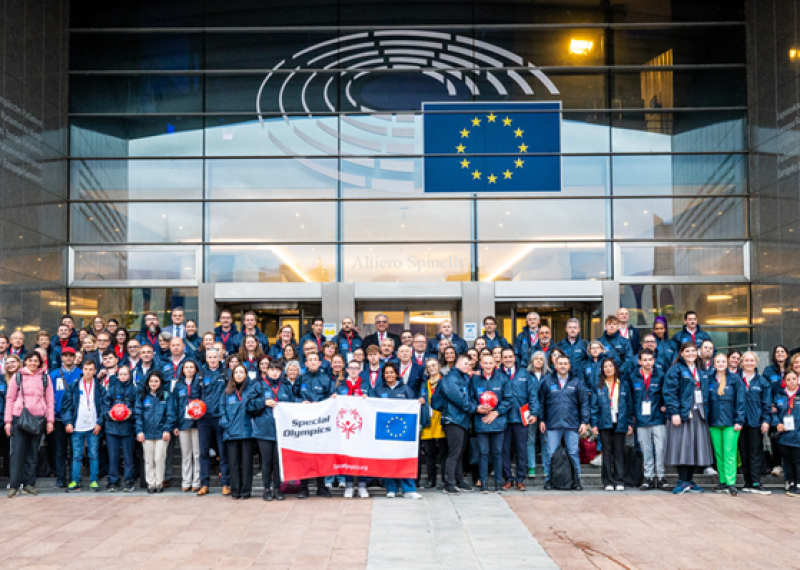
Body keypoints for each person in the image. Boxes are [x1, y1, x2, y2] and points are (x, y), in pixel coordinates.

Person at [663, 342, 714, 494]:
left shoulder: (701, 368)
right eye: (687, 351)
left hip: (699, 412)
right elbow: (670, 392)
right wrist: (674, 412)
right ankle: (682, 480)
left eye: (693, 351)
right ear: (682, 353)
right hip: (683, 412)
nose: (691, 353)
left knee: (695, 447)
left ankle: (690, 481)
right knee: (683, 447)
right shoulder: (676, 369)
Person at [369, 362, 423, 499]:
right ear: (383, 375)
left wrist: (419, 402)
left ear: (396, 374)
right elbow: (370, 405)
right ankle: (391, 488)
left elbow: (413, 404)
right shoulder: (378, 390)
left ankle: (409, 489)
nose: (389, 375)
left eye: (392, 372)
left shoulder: (405, 389)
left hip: (403, 431)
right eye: (386, 373)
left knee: (404, 458)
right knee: (388, 458)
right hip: (384, 431)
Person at [4, 352, 54, 497]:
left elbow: (50, 400)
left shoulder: (45, 378)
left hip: (38, 418)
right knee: (17, 453)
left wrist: (50, 421)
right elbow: (10, 399)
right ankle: (14, 485)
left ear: (40, 363)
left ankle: (29, 484)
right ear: (25, 362)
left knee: (32, 453)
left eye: (35, 361)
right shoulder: (17, 376)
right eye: (30, 360)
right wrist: (8, 422)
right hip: (19, 417)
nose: (33, 363)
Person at [538, 354, 590, 491]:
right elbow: (541, 403)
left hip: (572, 424)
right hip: (552, 423)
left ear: (569, 366)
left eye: (565, 363)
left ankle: (576, 480)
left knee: (573, 452)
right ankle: (548, 480)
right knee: (550, 453)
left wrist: (584, 422)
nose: (562, 366)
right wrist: (542, 420)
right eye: (560, 363)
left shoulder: (577, 382)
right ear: (555, 365)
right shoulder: (547, 382)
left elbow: (584, 403)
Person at [469, 353, 511, 493]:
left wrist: (496, 412)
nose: (487, 366)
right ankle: (484, 483)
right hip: (481, 422)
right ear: (481, 364)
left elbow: (508, 399)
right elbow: (470, 399)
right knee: (483, 453)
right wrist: (479, 409)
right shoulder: (474, 380)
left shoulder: (503, 378)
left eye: (490, 363)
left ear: (495, 364)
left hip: (498, 423)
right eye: (485, 363)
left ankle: (498, 483)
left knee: (498, 453)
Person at [61, 358, 104, 492]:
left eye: (91, 369)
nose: (88, 372)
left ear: (95, 371)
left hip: (93, 426)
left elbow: (104, 406)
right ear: (82, 370)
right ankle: (75, 481)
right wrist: (68, 422)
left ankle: (94, 481)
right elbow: (65, 406)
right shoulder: (74, 385)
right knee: (77, 455)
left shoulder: (99, 387)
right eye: (86, 369)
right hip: (77, 426)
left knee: (93, 454)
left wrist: (100, 422)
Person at [246, 361, 286, 501]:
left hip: (281, 430)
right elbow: (249, 405)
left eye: (278, 369)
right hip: (263, 429)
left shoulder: (285, 386)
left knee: (278, 461)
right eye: (272, 369)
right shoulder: (259, 385)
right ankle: (267, 489)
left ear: (281, 371)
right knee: (267, 460)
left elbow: (294, 403)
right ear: (267, 371)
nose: (275, 372)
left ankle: (277, 488)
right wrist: (263, 402)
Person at [591, 358, 633, 491]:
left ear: (615, 368)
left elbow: (629, 405)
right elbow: (594, 406)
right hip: (604, 422)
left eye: (610, 366)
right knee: (607, 452)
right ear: (602, 370)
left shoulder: (624, 384)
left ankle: (619, 480)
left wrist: (630, 423)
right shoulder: (598, 386)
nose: (608, 369)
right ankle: (608, 481)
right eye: (605, 367)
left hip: (620, 421)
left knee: (619, 452)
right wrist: (594, 424)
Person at [707, 352, 745, 496]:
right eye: (718, 362)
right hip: (714, 422)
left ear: (727, 363)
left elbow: (740, 401)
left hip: (731, 423)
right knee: (719, 453)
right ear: (714, 363)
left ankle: (731, 482)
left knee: (729, 452)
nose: (721, 364)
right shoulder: (709, 379)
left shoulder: (735, 379)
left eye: (723, 361)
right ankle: (722, 481)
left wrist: (739, 420)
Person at [629, 348, 668, 490]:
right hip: (640, 419)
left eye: (650, 359)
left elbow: (666, 393)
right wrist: (631, 417)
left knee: (660, 448)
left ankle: (662, 477)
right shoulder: (633, 376)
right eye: (644, 360)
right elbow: (630, 398)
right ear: (639, 361)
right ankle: (649, 477)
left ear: (654, 360)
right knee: (646, 449)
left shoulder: (660, 375)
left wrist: (665, 405)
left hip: (657, 417)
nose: (647, 362)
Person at [439, 355, 478, 495]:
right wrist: (475, 408)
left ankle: (459, 481)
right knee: (454, 452)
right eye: (466, 363)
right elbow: (459, 399)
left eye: (471, 364)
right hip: (453, 419)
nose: (469, 366)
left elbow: (470, 397)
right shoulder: (451, 378)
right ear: (458, 363)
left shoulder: (464, 378)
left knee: (460, 452)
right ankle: (449, 484)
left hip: (462, 419)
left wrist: (475, 406)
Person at [500, 347, 538, 491]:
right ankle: (508, 478)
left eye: (510, 356)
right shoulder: (499, 374)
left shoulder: (524, 373)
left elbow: (532, 394)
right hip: (504, 418)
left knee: (522, 449)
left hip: (522, 418)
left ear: (514, 358)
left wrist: (534, 413)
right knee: (505, 450)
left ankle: (520, 479)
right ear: (502, 359)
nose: (508, 359)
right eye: (505, 357)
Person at [298, 352, 334, 499]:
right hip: (304, 423)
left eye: (315, 360)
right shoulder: (301, 379)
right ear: (306, 364)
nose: (312, 362)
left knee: (320, 455)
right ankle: (303, 487)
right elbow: (294, 396)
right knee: (304, 455)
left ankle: (321, 486)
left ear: (320, 363)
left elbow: (331, 398)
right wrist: (300, 402)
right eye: (310, 360)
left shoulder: (326, 379)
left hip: (321, 423)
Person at [735, 352, 771, 494]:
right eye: (746, 360)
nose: (749, 363)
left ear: (756, 363)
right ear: (742, 362)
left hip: (756, 423)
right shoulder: (735, 379)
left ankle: (756, 482)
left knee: (755, 453)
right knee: (743, 453)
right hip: (740, 423)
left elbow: (766, 404)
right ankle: (747, 482)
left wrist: (766, 421)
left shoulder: (762, 382)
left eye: (752, 361)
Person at [48, 347, 82, 488]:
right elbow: (49, 394)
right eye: (65, 356)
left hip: (76, 418)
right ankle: (61, 479)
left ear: (74, 357)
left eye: (71, 356)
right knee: (60, 450)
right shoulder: (54, 374)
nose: (68, 358)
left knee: (76, 451)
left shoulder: (80, 373)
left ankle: (75, 478)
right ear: (61, 357)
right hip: (59, 417)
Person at [135, 370, 174, 493]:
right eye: (151, 381)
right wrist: (139, 431)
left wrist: (167, 429)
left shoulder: (166, 396)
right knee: (148, 459)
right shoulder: (142, 396)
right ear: (147, 382)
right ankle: (150, 484)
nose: (153, 383)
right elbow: (138, 415)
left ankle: (159, 483)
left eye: (156, 381)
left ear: (160, 382)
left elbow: (170, 415)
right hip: (146, 433)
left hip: (161, 433)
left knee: (159, 458)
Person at [197, 348, 229, 496]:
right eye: (210, 357)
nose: (212, 359)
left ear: (219, 357)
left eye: (215, 357)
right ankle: (204, 484)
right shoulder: (201, 375)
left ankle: (225, 484)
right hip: (204, 419)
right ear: (206, 359)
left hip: (220, 417)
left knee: (223, 452)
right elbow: (196, 396)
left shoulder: (226, 373)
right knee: (203, 452)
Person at [219, 364, 254, 500]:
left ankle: (246, 491)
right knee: (233, 463)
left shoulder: (251, 390)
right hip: (231, 432)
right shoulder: (227, 391)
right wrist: (226, 425)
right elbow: (222, 410)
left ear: (245, 374)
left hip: (247, 432)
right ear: (232, 375)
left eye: (241, 372)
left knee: (246, 463)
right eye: (236, 372)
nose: (239, 374)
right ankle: (235, 490)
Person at [103, 364, 137, 492]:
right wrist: (109, 414)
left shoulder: (134, 390)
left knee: (128, 457)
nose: (123, 376)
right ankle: (113, 482)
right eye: (121, 374)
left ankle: (128, 481)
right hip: (112, 429)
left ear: (129, 375)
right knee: (113, 456)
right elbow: (104, 406)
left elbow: (138, 406)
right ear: (117, 376)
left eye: (125, 374)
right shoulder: (111, 389)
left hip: (127, 429)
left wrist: (131, 413)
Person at [172, 359, 202, 492]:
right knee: (186, 454)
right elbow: (174, 406)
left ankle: (196, 481)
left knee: (197, 453)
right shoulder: (178, 386)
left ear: (195, 369)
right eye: (186, 367)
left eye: (191, 367)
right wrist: (175, 425)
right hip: (183, 423)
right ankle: (186, 481)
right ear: (182, 370)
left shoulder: (200, 384)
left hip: (197, 422)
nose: (189, 370)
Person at [419, 358, 447, 490]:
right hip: (428, 421)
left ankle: (444, 480)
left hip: (441, 420)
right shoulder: (424, 384)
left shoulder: (445, 381)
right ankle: (431, 479)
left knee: (443, 452)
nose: (432, 368)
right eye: (429, 366)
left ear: (439, 366)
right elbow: (421, 397)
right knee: (430, 453)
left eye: (434, 365)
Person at [772, 369, 800, 496]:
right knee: (787, 460)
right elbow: (774, 413)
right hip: (784, 435)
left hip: (798, 434)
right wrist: (777, 423)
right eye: (788, 379)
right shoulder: (779, 396)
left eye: (794, 379)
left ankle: (798, 483)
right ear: (784, 381)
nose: (791, 382)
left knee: (797, 460)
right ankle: (790, 481)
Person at [526, 351, 549, 480]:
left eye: (541, 359)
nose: (539, 361)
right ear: (532, 361)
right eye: (536, 359)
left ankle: (546, 466)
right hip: (530, 412)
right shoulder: (527, 374)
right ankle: (532, 467)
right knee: (530, 440)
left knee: (545, 440)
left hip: (545, 413)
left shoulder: (549, 375)